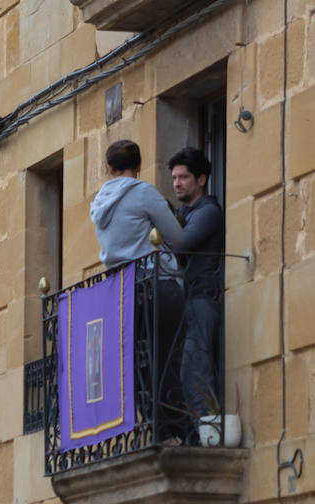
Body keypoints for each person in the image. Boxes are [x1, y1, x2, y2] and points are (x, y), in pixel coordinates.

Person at [89, 139, 187, 441]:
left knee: (140, 360)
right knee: (168, 357)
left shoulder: (98, 204)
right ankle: (177, 426)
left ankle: (152, 425)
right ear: (139, 165)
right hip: (156, 283)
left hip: (122, 290)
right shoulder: (142, 192)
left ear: (108, 167)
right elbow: (178, 238)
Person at [169, 146, 224, 424]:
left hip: (202, 299)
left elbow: (179, 245)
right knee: (178, 371)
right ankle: (190, 432)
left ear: (201, 180)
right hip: (184, 303)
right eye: (175, 177)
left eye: (184, 177)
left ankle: (208, 434)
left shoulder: (209, 211)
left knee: (196, 367)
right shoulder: (181, 214)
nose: (177, 183)